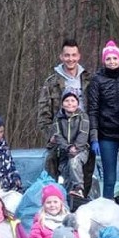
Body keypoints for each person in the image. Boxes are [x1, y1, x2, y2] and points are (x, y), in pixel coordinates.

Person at [37, 38, 92, 181]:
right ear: (61, 57)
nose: (70, 59)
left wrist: (93, 135)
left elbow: (95, 109)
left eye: (74, 55)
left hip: (83, 139)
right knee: (56, 180)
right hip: (60, 139)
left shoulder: (89, 80)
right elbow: (43, 113)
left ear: (79, 56)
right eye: (67, 55)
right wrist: (51, 136)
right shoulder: (51, 82)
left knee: (84, 180)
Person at [88, 40, 119, 198]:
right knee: (109, 179)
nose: (112, 61)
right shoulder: (97, 80)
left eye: (114, 58)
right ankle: (107, 211)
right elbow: (93, 109)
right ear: (104, 61)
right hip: (106, 134)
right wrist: (94, 137)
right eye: (108, 59)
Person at [49, 88, 91, 198]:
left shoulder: (83, 117)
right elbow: (57, 135)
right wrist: (68, 148)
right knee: (65, 173)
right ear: (62, 104)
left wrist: (76, 148)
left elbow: (83, 134)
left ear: (77, 103)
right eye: (67, 101)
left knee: (74, 161)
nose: (70, 103)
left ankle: (79, 188)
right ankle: (67, 198)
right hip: (64, 151)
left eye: (73, 100)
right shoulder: (58, 119)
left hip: (81, 150)